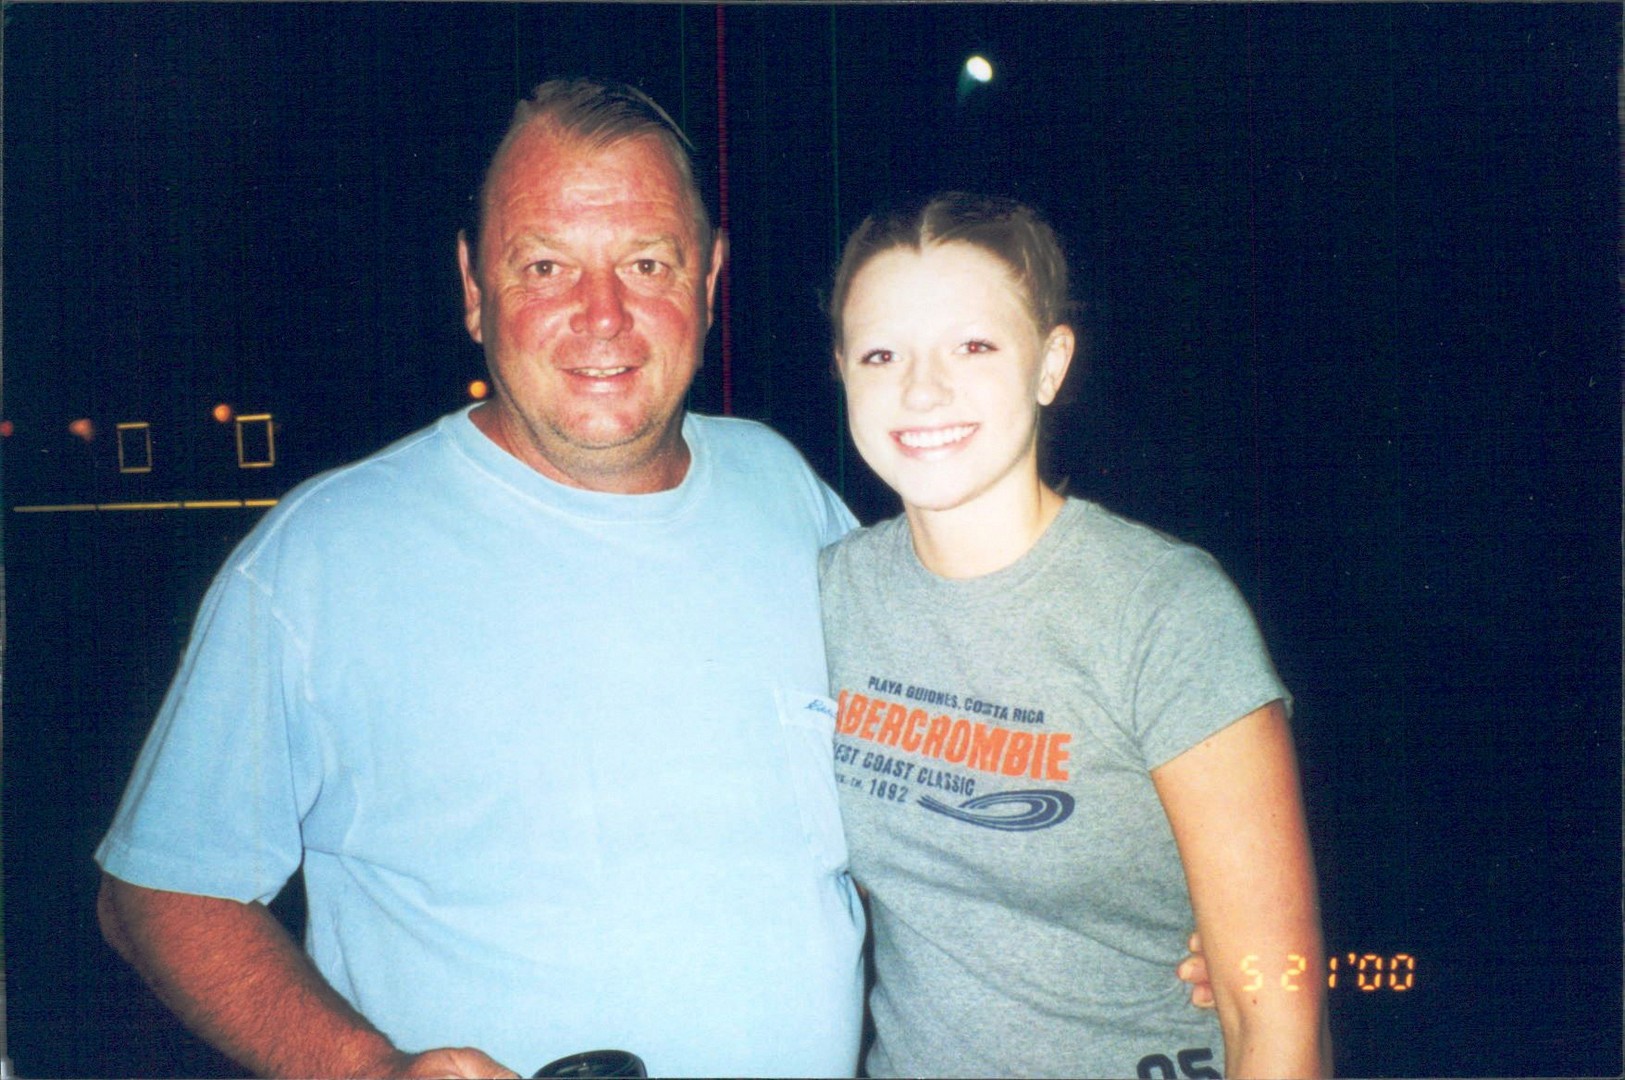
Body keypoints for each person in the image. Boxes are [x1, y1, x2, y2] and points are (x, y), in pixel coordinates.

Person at [94, 78, 866, 1079]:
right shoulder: (326, 556)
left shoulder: (785, 489)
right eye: (545, 266)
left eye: (646, 262)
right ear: (472, 287)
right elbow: (156, 895)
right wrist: (364, 1069)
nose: (603, 314)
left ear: (710, 277)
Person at [820, 193, 1332, 1078]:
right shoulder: (829, 593)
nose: (921, 389)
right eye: (880, 354)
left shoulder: (1162, 609)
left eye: (973, 346)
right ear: (843, 373)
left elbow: (1276, 1007)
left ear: (1049, 364)